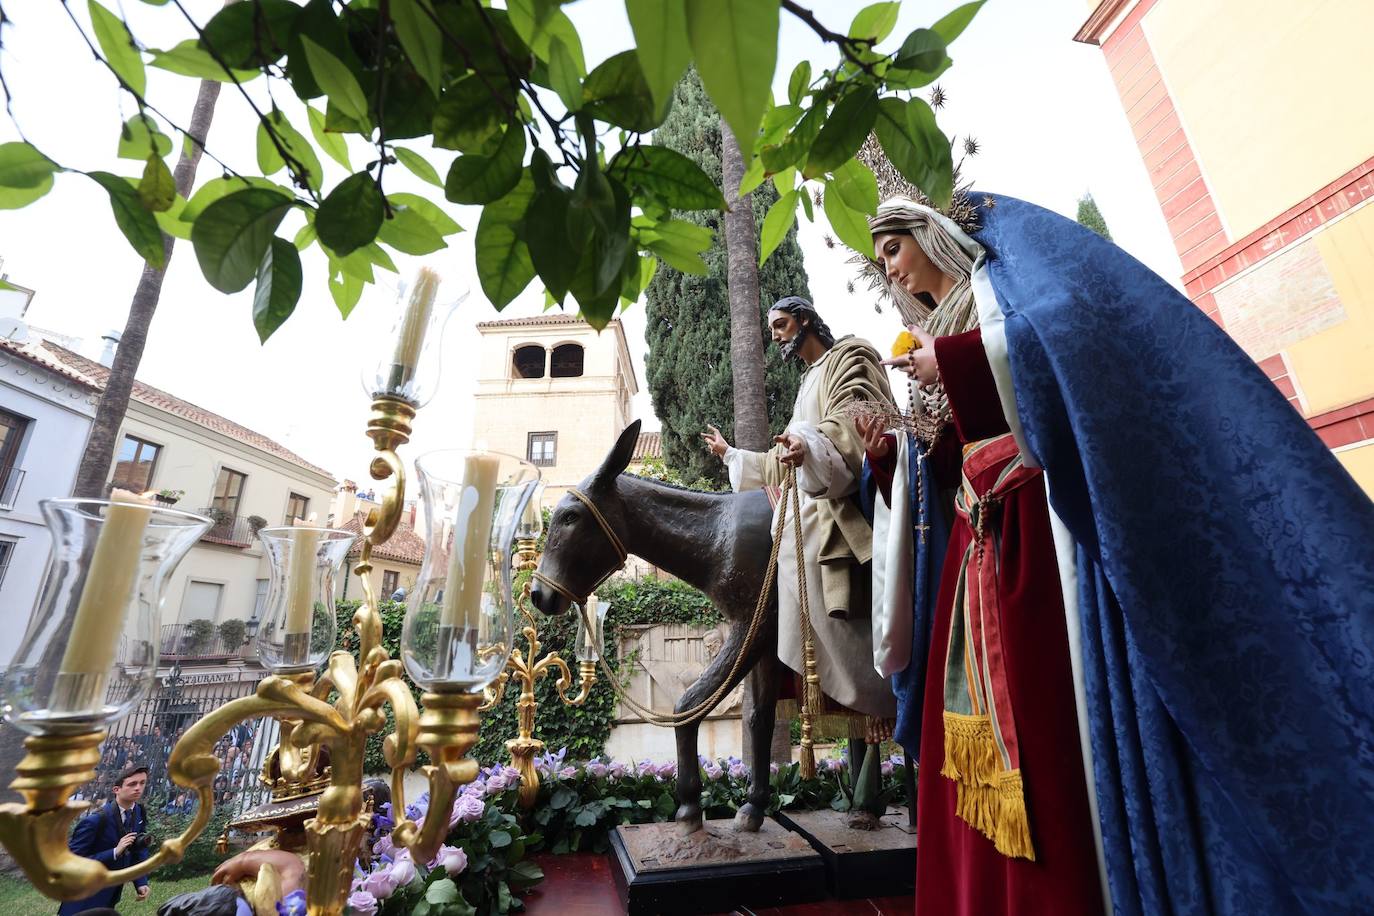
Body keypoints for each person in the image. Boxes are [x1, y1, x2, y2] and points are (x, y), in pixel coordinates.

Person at [856, 194, 1374, 915]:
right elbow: (949, 460)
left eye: (892, 248)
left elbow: (1067, 343)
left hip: (1039, 531)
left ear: (928, 236)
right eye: (880, 257)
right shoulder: (927, 332)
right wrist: (889, 459)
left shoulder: (998, 289)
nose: (889, 267)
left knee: (1046, 728)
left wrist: (958, 360)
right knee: (965, 748)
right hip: (978, 542)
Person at [701, 295, 897, 824]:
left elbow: (852, 426)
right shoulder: (806, 383)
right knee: (835, 657)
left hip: (841, 532)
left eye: (783, 325)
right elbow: (783, 459)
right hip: (802, 539)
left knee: (860, 652)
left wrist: (808, 448)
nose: (778, 336)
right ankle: (863, 793)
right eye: (773, 329)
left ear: (807, 319)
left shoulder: (847, 358)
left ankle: (872, 793)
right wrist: (734, 456)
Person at [58, 765, 152, 913]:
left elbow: (138, 849)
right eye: (132, 784)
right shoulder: (95, 820)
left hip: (110, 893)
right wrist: (114, 852)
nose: (138, 788)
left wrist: (141, 882)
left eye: (142, 783)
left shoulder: (139, 812)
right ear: (116, 790)